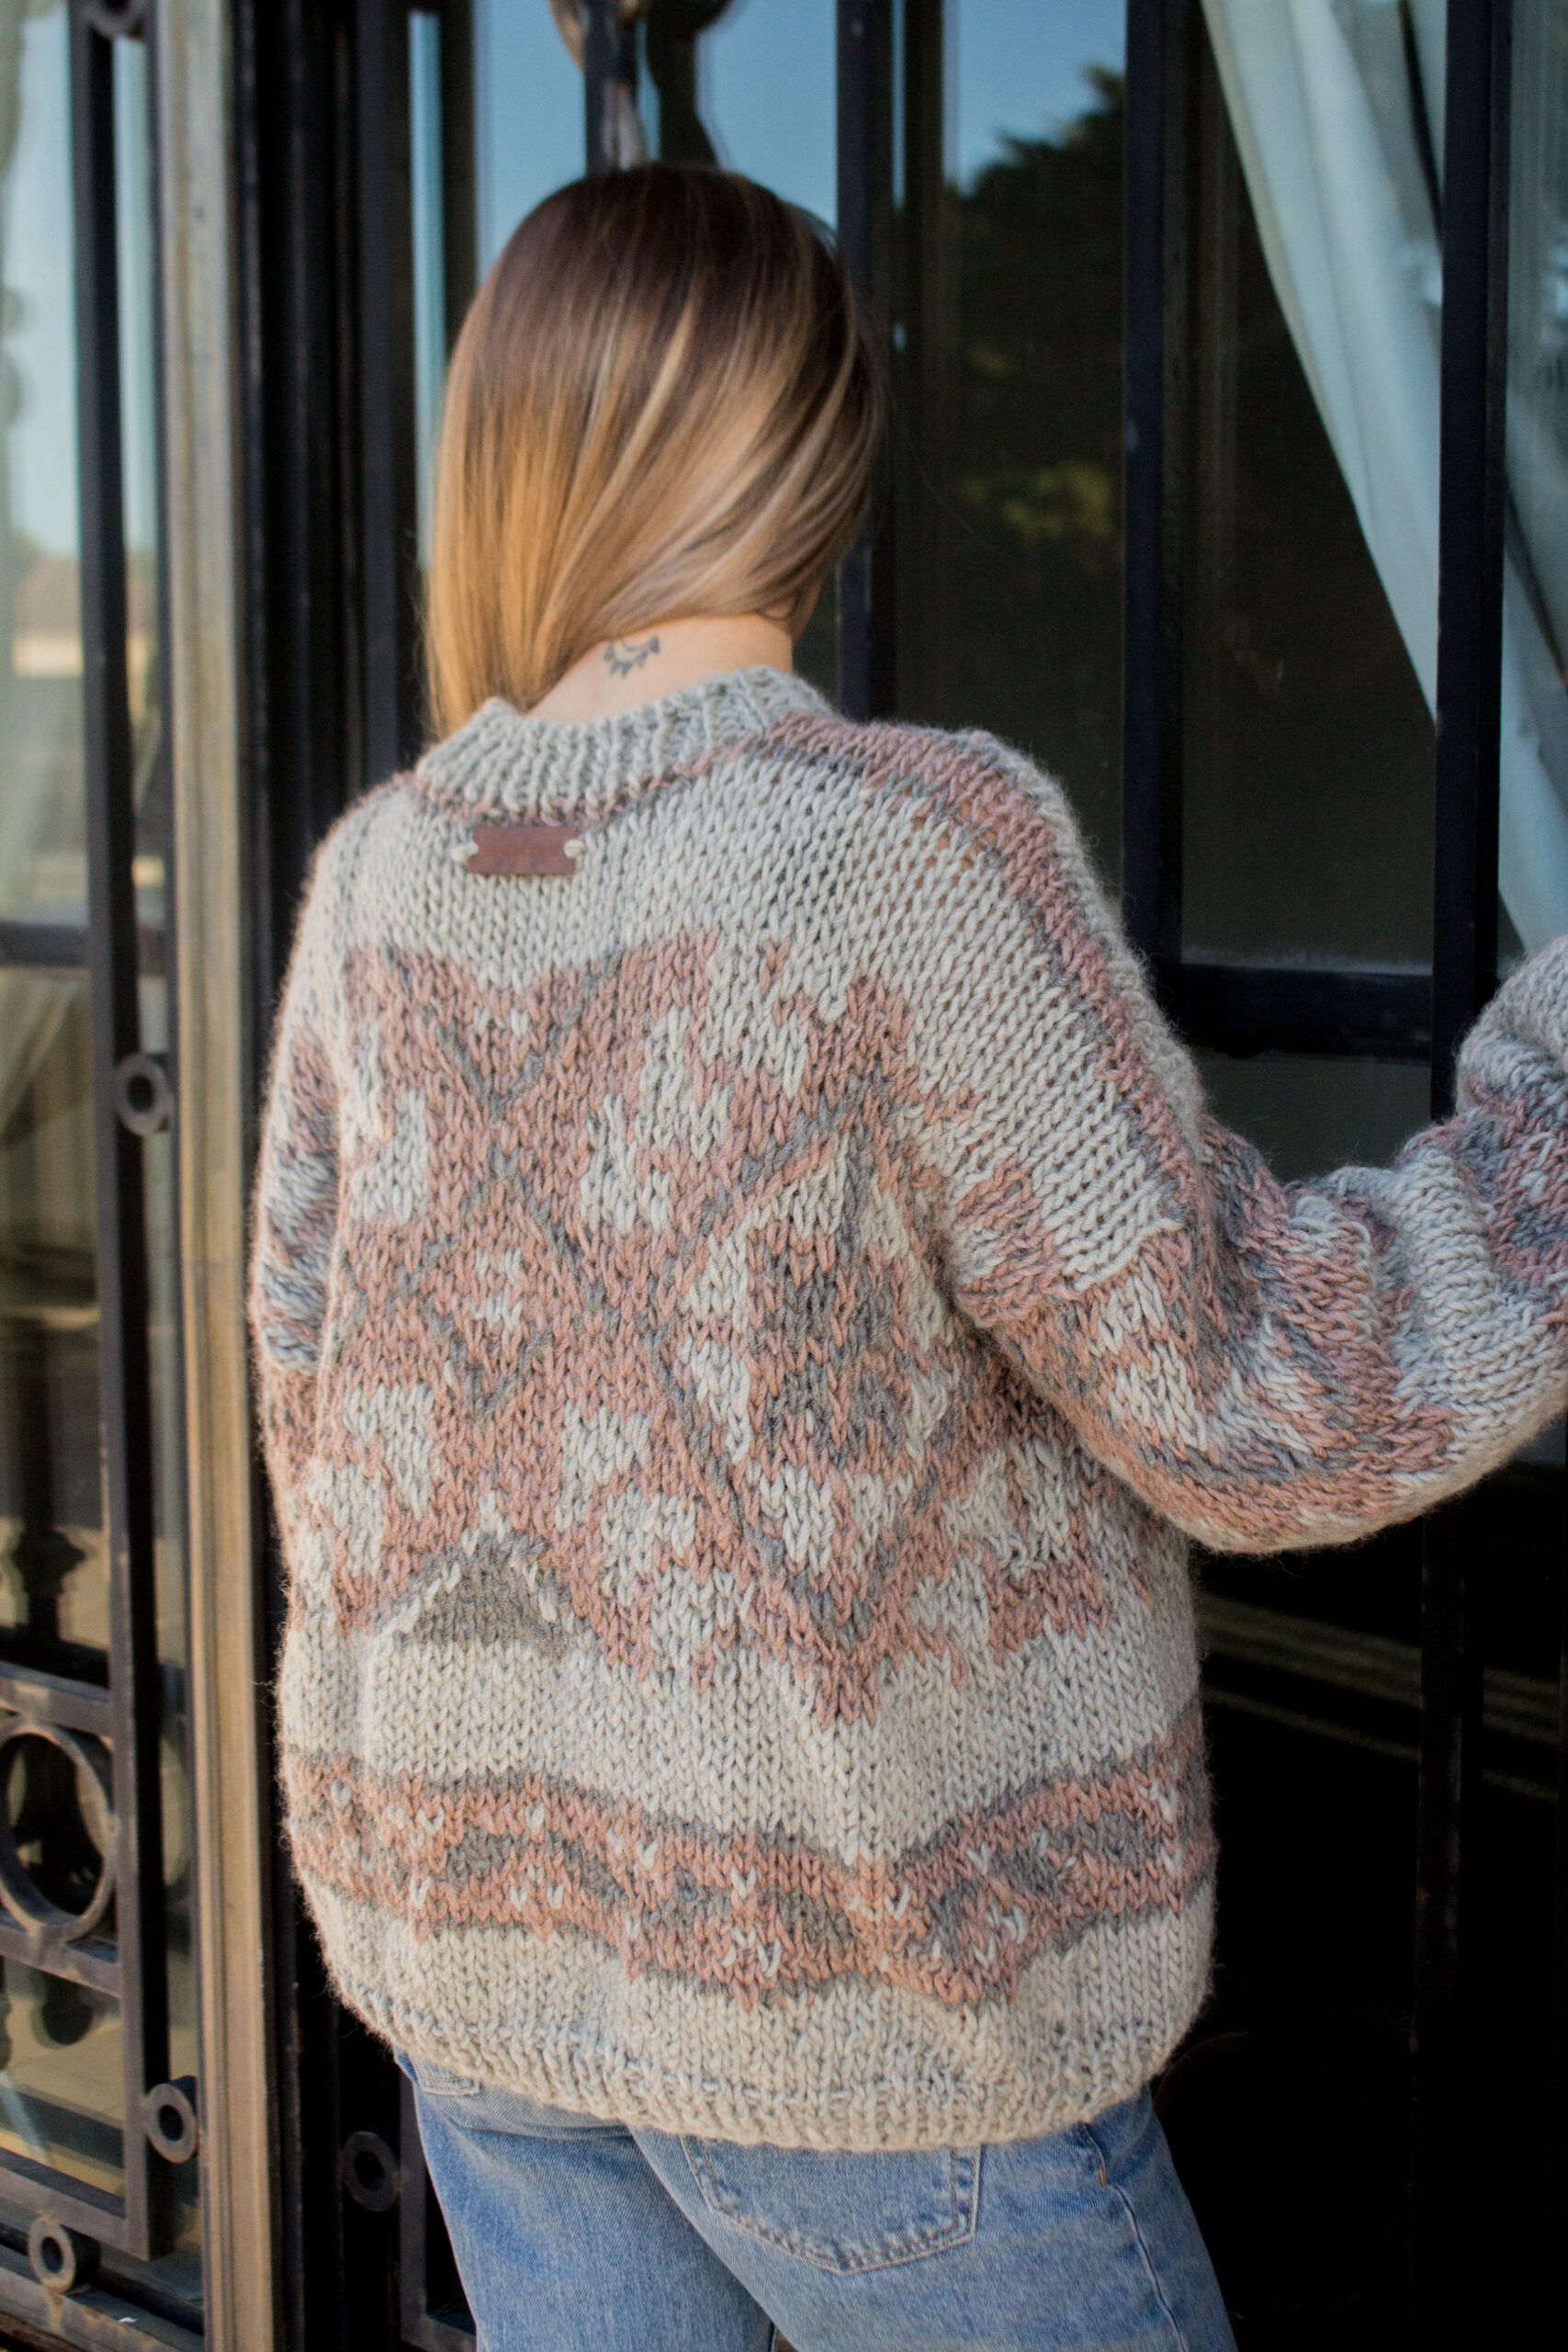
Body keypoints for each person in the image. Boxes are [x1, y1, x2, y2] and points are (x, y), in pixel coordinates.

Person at [248, 164, 1568, 2352]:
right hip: (861, 2024)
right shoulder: (895, 859)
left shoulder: (378, 885)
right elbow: (1260, 1397)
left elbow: (330, 1440)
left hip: (485, 2000)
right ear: (816, 450)